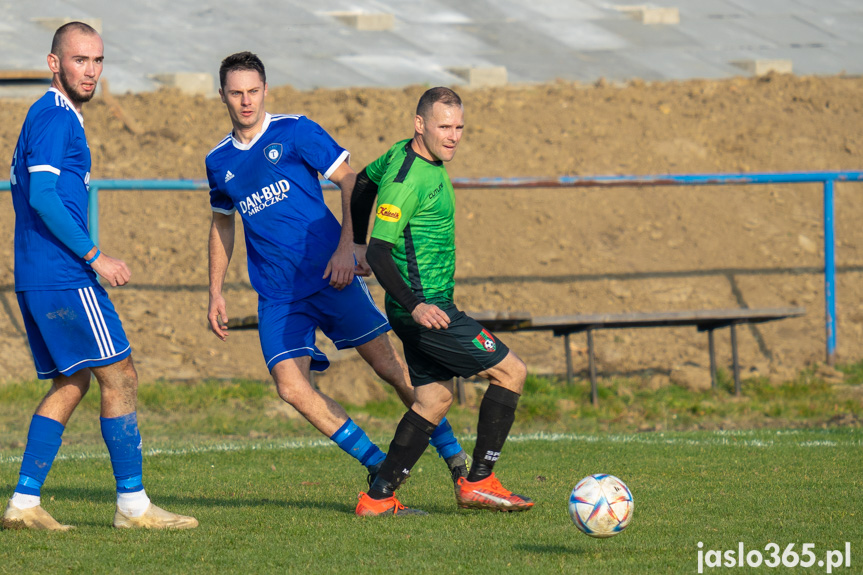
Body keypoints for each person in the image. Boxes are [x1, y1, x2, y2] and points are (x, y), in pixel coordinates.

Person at [205, 52, 468, 495]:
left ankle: (457, 462)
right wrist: (215, 292)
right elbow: (222, 222)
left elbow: (351, 182)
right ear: (223, 96)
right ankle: (379, 465)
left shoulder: (295, 131)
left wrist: (348, 247)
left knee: (389, 367)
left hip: (333, 276)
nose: (246, 101)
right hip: (279, 295)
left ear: (265, 90)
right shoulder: (218, 161)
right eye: (236, 93)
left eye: (253, 91)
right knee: (291, 388)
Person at [2, 22, 197, 531]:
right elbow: (44, 197)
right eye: (79, 60)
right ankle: (132, 506)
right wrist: (96, 256)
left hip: (40, 273)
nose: (90, 71)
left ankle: (23, 504)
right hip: (64, 272)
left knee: (74, 381)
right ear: (54, 64)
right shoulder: (54, 116)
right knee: (121, 374)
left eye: (98, 61)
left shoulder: (56, 116)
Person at [350, 87, 534, 516]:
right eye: (443, 126)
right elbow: (379, 252)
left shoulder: (402, 155)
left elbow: (362, 180)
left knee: (433, 400)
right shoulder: (409, 177)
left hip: (420, 307)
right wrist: (413, 303)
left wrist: (354, 241)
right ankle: (480, 481)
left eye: (459, 127)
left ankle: (377, 500)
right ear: (420, 125)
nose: (453, 136)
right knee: (511, 372)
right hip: (427, 310)